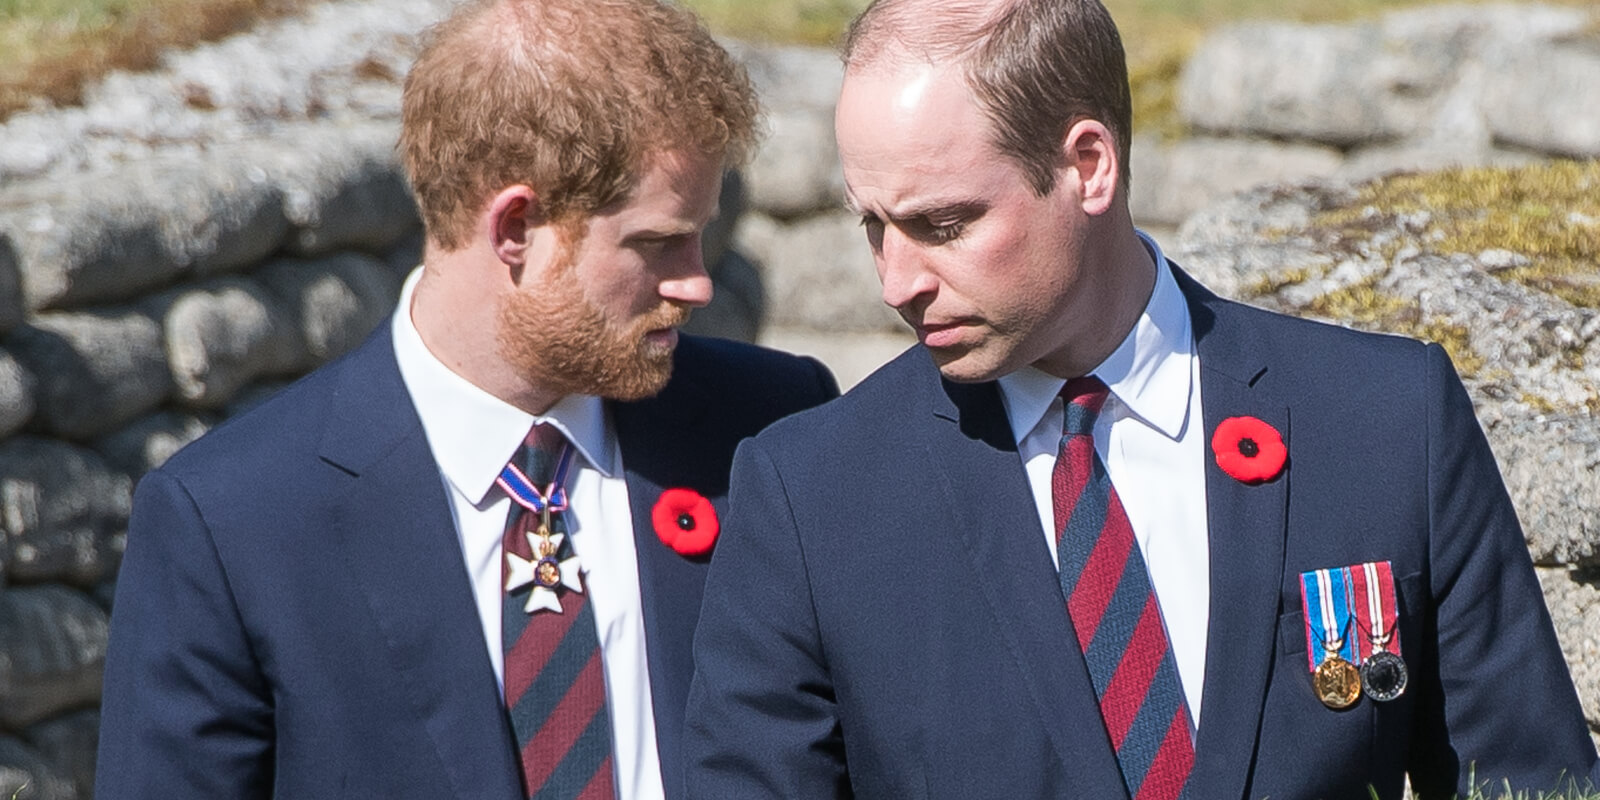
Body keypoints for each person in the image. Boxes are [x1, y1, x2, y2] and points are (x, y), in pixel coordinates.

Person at [682, 0, 1599, 798]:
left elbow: (1527, 780)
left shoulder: (1386, 419)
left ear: (1089, 165)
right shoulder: (812, 497)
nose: (895, 280)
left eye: (943, 225)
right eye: (873, 227)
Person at [94, 0, 838, 797]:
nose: (696, 281)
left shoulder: (770, 424)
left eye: (699, 235)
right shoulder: (236, 520)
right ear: (514, 226)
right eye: (656, 243)